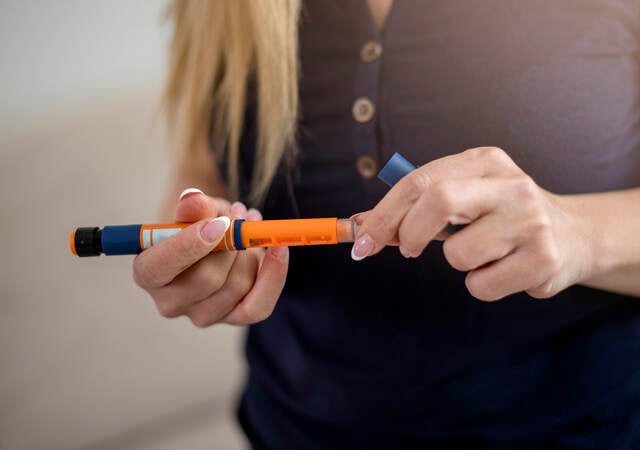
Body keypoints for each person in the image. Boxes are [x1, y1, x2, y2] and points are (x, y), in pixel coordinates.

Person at [133, 1, 640, 448]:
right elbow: (199, 174)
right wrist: (197, 248)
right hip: (293, 425)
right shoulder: (222, 8)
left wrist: (575, 232)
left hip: (583, 427)